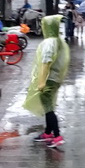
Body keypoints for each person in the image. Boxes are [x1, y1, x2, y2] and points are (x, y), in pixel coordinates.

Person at [25, 15, 71, 148]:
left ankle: (57, 136)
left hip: (49, 78)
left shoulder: (50, 42)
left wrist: (41, 81)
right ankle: (48, 133)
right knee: (48, 105)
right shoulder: (58, 41)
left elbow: (46, 62)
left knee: (48, 108)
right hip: (55, 78)